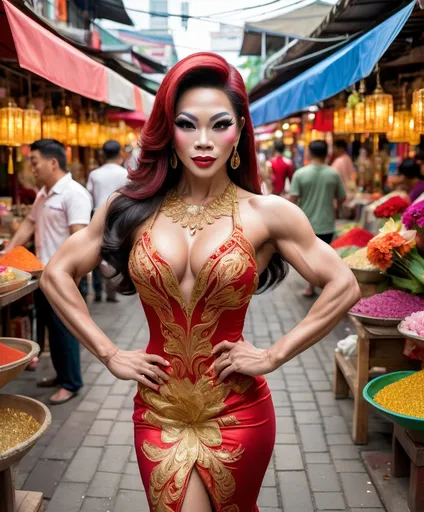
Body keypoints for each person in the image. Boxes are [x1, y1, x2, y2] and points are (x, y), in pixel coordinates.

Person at [40, 53, 359, 511]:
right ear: (168, 132)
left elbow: (343, 284)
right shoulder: (129, 207)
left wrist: (273, 354)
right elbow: (56, 274)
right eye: (188, 124)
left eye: (220, 124)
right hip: (158, 410)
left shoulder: (267, 214)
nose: (204, 141)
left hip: (239, 409)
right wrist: (108, 353)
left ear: (240, 132)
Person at [6, 139, 92, 405]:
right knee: (51, 331)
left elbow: (80, 237)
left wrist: (74, 277)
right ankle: (60, 374)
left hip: (65, 277)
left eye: (34, 162)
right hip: (43, 276)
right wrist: (8, 250)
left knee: (66, 330)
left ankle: (71, 383)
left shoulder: (73, 193)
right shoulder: (43, 194)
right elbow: (29, 224)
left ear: (52, 162)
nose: (32, 168)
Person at [289, 140, 347, 297]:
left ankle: (312, 286)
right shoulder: (333, 174)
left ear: (309, 153)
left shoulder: (300, 174)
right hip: (327, 223)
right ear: (327, 154)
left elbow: (292, 200)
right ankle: (323, 285)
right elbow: (342, 197)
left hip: (306, 223)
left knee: (310, 257)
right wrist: (333, 204)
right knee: (324, 255)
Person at [86, 140, 128, 302]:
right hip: (118, 218)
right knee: (115, 253)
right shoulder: (124, 174)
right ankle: (112, 290)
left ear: (103, 155)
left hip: (96, 217)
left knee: (95, 252)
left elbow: (89, 196)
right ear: (119, 154)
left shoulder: (94, 174)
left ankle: (97, 290)